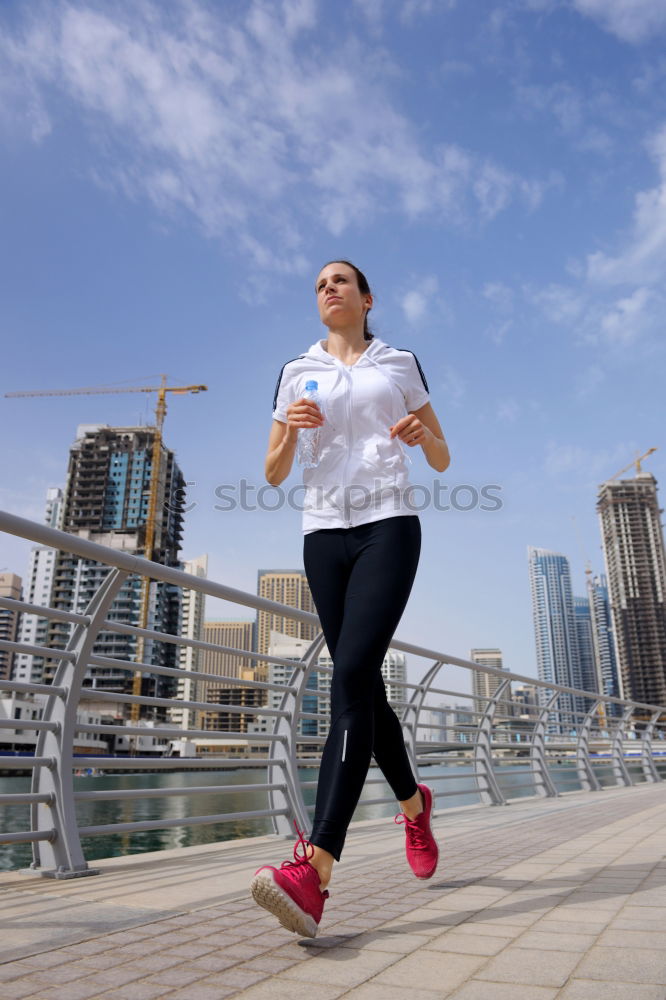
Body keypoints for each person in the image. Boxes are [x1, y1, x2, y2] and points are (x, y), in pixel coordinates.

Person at [250, 260, 451, 938]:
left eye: (341, 281)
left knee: (351, 677)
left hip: (388, 523)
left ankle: (316, 868)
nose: (328, 288)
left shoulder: (398, 363)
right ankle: (413, 804)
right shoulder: (294, 370)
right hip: (321, 535)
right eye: (319, 284)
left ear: (367, 298)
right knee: (362, 689)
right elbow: (274, 471)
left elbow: (445, 455)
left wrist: (424, 438)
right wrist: (292, 431)